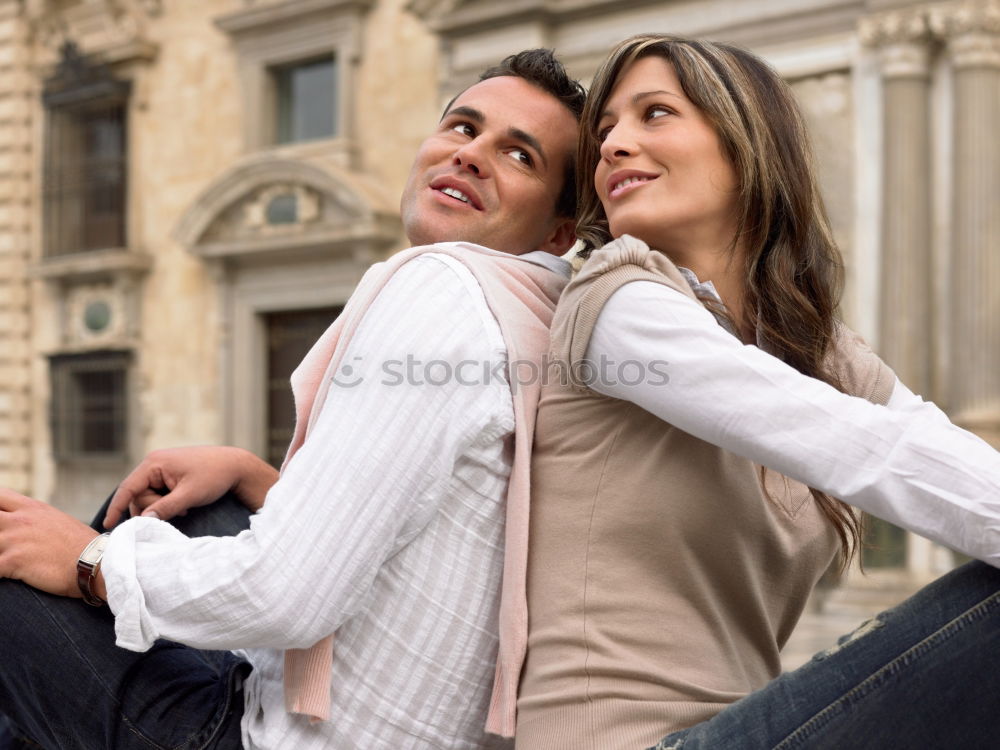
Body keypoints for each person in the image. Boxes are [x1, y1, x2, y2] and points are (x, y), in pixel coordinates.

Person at [0, 49, 584, 749]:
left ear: (558, 232)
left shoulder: (444, 289)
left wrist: (89, 562)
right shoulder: (541, 313)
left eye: (520, 155)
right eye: (463, 128)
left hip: (266, 738)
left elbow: (288, 597)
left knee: (23, 561)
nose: (471, 155)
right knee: (184, 504)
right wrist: (258, 478)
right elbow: (416, 527)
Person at [515, 34, 1000, 750]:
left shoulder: (811, 345)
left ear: (745, 145)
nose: (614, 144)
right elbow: (857, 446)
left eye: (654, 114)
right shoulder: (616, 302)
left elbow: (919, 434)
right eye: (607, 129)